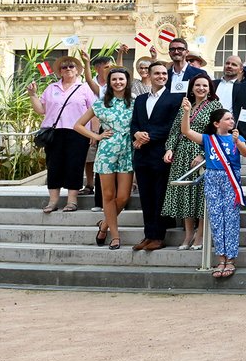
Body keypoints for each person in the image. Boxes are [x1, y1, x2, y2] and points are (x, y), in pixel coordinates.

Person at [178, 103, 246, 279]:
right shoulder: (208, 139)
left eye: (232, 118)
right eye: (227, 119)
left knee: (231, 219)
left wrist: (237, 141)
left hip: (231, 178)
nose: (231, 121)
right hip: (212, 178)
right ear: (217, 123)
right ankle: (221, 258)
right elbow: (186, 131)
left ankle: (231, 259)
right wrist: (186, 112)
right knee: (217, 219)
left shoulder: (236, 137)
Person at [71, 67, 134, 248]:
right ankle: (115, 236)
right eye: (114, 79)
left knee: (123, 197)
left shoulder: (135, 102)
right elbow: (78, 125)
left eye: (121, 79)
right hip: (107, 151)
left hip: (127, 151)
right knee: (108, 194)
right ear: (109, 82)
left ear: (127, 81)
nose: (118, 82)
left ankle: (104, 224)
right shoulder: (100, 104)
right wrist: (96, 136)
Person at [29, 55, 96, 213]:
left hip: (78, 132)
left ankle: (72, 201)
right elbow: (41, 110)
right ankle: (53, 201)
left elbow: (94, 112)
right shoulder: (52, 88)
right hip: (54, 133)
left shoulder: (84, 88)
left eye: (71, 66)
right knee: (54, 166)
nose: (68, 69)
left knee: (75, 165)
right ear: (59, 71)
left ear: (77, 70)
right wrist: (32, 95)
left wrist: (93, 133)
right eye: (64, 67)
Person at [128, 61, 181, 251]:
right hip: (142, 155)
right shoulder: (141, 99)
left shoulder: (174, 99)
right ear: (149, 76)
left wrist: (147, 136)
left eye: (164, 74)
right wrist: (136, 134)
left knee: (160, 196)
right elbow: (134, 123)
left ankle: (159, 235)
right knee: (146, 197)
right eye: (157, 74)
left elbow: (173, 126)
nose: (161, 77)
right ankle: (148, 234)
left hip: (161, 153)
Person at [162, 73, 215, 249]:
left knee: (200, 196)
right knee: (185, 195)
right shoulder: (186, 105)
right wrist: (170, 148)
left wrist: (204, 155)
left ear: (209, 88)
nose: (201, 88)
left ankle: (200, 236)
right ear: (191, 88)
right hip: (182, 155)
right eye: (198, 85)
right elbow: (176, 129)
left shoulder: (215, 106)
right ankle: (188, 235)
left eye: (205, 85)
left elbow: (215, 134)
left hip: (200, 155)